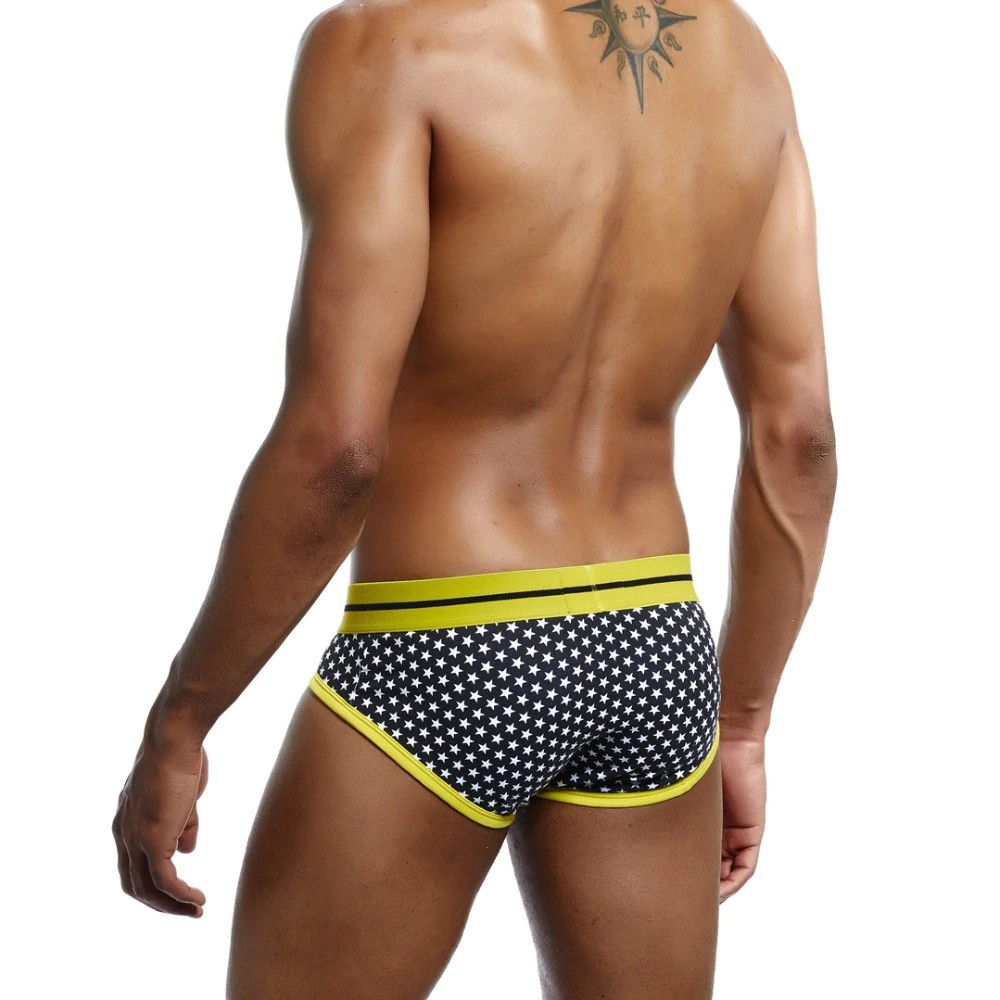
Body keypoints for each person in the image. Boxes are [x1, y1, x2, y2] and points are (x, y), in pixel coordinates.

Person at [111, 0, 837, 996]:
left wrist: (182, 719)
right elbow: (799, 437)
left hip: (446, 639)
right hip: (654, 642)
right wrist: (741, 721)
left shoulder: (392, 41)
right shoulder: (748, 64)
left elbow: (337, 452)